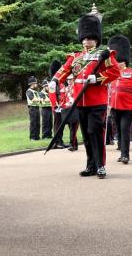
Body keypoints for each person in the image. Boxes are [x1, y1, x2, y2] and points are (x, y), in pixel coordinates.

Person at [51, 10, 120, 178]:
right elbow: (64, 70)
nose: (87, 41)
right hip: (80, 102)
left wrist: (97, 78)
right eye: (85, 38)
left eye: (90, 38)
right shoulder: (75, 57)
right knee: (86, 134)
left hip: (97, 101)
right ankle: (91, 165)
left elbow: (115, 72)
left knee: (95, 131)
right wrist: (55, 80)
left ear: (96, 39)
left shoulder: (104, 55)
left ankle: (101, 165)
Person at [106, 35, 132, 164]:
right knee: (118, 130)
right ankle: (122, 152)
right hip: (114, 106)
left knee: (124, 130)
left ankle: (125, 155)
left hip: (128, 106)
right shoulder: (111, 72)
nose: (119, 62)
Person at [26, 76, 41, 141]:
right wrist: (39, 99)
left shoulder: (35, 91)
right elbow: (32, 99)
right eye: (35, 83)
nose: (36, 85)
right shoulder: (29, 91)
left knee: (38, 123)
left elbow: (39, 99)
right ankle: (32, 137)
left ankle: (37, 136)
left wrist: (39, 100)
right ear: (32, 84)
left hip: (37, 108)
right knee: (33, 123)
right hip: (32, 108)